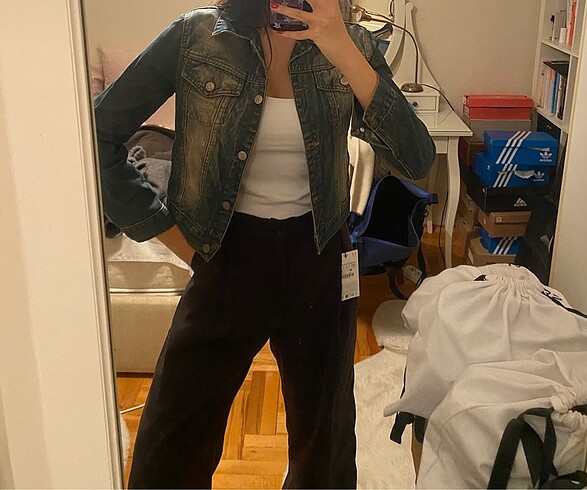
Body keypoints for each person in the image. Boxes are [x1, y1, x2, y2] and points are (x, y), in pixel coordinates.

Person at [94, 0, 435, 486]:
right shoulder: (197, 37)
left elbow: (416, 158)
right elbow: (96, 134)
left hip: (321, 256)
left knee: (324, 446)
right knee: (171, 444)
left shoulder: (352, 45)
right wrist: (166, 232)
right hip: (226, 255)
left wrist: (342, 48)